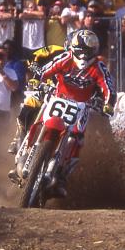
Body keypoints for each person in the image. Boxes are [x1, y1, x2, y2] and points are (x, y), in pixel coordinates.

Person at [26, 30, 116, 194]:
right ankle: (25, 149)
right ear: (75, 47)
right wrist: (36, 79)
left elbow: (109, 88)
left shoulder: (98, 67)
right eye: (82, 50)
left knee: (76, 138)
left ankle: (61, 175)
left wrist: (108, 104)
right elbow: (46, 70)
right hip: (58, 97)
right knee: (38, 118)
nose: (84, 55)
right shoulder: (66, 58)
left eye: (89, 50)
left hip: (82, 106)